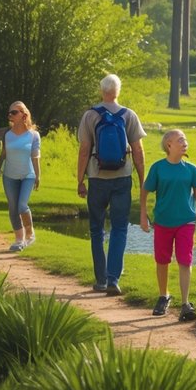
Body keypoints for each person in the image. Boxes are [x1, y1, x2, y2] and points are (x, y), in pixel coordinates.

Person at [76, 74, 147, 297]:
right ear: (118, 90)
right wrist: (142, 179)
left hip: (97, 178)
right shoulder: (129, 115)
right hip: (122, 177)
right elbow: (138, 151)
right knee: (119, 228)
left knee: (97, 229)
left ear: (101, 90)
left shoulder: (90, 115)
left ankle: (101, 279)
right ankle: (113, 279)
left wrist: (80, 180)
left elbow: (84, 150)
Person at [140, 129, 196, 322]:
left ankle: (186, 304)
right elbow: (145, 192)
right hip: (162, 221)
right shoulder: (158, 168)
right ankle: (164, 296)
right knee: (162, 260)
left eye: (185, 139)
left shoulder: (191, 169)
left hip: (186, 221)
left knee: (185, 259)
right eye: (180, 140)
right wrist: (143, 216)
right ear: (169, 145)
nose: (184, 142)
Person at [0, 101, 40, 252]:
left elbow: (35, 157)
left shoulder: (34, 135)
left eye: (14, 112)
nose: (10, 115)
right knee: (13, 208)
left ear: (24, 115)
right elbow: (4, 153)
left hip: (28, 175)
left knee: (22, 205)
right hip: (9, 175)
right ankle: (19, 240)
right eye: (9, 113)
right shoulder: (6, 134)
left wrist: (37, 176)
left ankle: (30, 233)